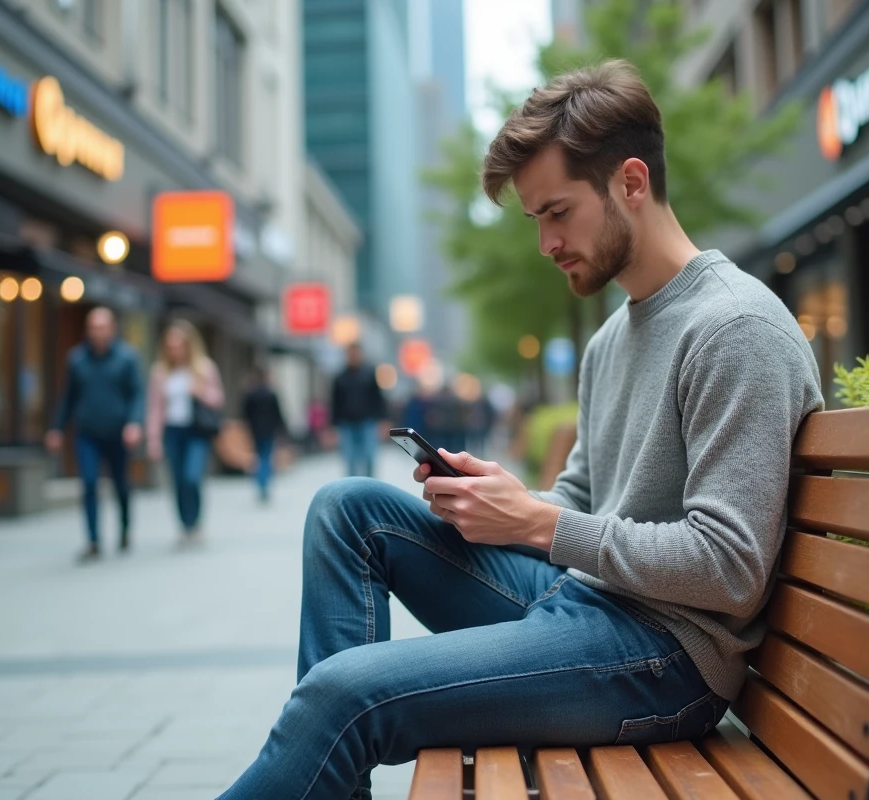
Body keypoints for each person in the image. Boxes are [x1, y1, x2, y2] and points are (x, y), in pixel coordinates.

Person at [217, 60, 823, 800]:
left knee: (344, 693)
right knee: (347, 510)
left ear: (632, 183)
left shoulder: (734, 330)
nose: (545, 243)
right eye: (536, 219)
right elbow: (580, 501)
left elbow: (729, 568)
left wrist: (539, 523)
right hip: (586, 602)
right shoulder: (612, 338)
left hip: (664, 660)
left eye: (558, 212)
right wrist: (503, 502)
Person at [46, 307, 144, 562]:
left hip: (118, 432)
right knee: (89, 483)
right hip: (87, 432)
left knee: (121, 483)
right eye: (92, 327)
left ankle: (125, 529)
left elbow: (137, 393)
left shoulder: (126, 358)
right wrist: (57, 428)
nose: (97, 332)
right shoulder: (77, 359)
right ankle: (93, 540)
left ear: (112, 329)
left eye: (101, 327)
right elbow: (68, 397)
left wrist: (134, 423)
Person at [145, 319, 225, 544]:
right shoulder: (160, 372)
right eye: (170, 347)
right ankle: (185, 525)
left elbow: (219, 399)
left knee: (192, 477)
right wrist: (153, 440)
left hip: (196, 432)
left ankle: (196, 521)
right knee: (178, 481)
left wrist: (200, 391)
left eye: (179, 346)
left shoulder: (204, 368)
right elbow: (155, 409)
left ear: (189, 346)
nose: (175, 351)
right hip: (172, 432)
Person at [330, 342, 387, 478]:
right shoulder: (340, 377)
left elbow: (378, 398)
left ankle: (369, 483)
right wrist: (332, 426)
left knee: (369, 456)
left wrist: (383, 420)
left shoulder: (369, 374)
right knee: (349, 458)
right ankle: (353, 484)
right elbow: (335, 403)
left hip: (367, 421)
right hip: (347, 423)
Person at [241, 366, 289, 502]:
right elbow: (278, 413)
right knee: (266, 456)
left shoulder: (251, 394)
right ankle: (264, 483)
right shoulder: (271, 394)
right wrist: (282, 429)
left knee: (259, 456)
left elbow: (245, 414)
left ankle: (260, 482)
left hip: (255, 430)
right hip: (269, 429)